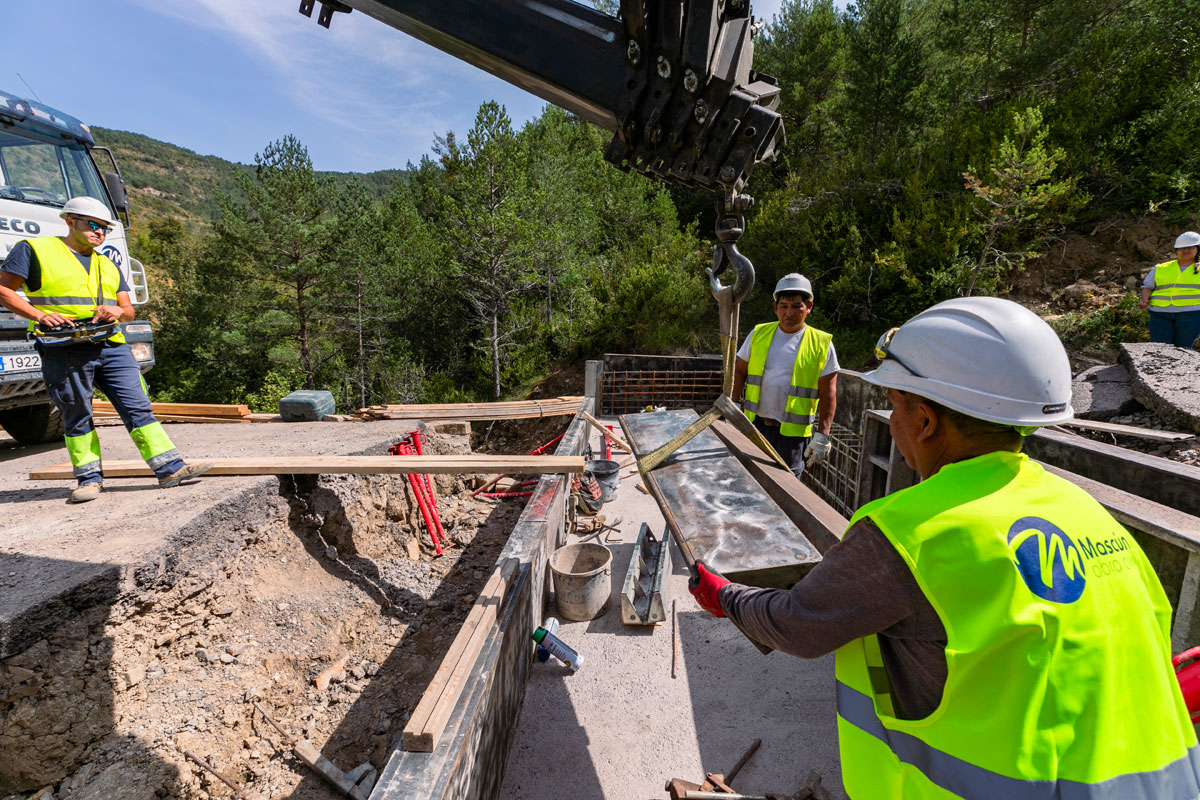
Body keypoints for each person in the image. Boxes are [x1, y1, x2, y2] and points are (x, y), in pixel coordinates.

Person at [692, 296, 1200, 799]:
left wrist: (726, 597)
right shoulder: (1087, 513)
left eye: (895, 407)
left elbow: (797, 625)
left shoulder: (910, 532)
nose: (892, 424)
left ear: (927, 422)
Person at [0, 196, 211, 503]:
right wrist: (40, 315)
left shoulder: (107, 263)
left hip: (110, 345)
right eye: (93, 225)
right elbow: (4, 289)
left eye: (105, 228)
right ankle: (88, 479)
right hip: (64, 347)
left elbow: (128, 310)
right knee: (77, 413)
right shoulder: (35, 250)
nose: (100, 232)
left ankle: (170, 469)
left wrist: (115, 310)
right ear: (70, 221)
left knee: (137, 405)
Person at [730, 273, 837, 476]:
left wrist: (823, 434)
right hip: (755, 426)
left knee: (786, 485)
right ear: (775, 307)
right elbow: (740, 369)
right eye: (784, 306)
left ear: (809, 307)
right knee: (749, 477)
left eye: (797, 306)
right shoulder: (758, 334)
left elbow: (829, 392)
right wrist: (733, 405)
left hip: (793, 437)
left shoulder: (821, 344)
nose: (789, 312)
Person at [1139, 230, 1200, 347]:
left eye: (1190, 248)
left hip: (1191, 315)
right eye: (1182, 248)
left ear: (1197, 249)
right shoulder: (1161, 268)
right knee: (1160, 348)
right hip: (1160, 314)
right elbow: (1147, 287)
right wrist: (1145, 300)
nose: (1186, 251)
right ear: (1176, 250)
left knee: (1183, 349)